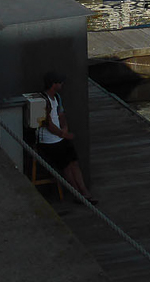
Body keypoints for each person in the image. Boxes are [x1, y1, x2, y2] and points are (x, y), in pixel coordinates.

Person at [35, 71, 94, 202]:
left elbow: (61, 115)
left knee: (74, 163)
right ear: (53, 84)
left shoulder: (57, 97)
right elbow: (47, 124)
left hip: (61, 138)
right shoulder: (43, 100)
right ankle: (77, 193)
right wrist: (64, 134)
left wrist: (65, 128)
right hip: (49, 141)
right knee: (66, 166)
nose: (62, 84)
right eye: (59, 82)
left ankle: (84, 190)